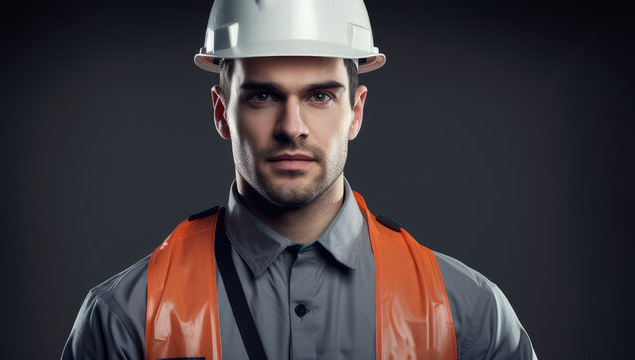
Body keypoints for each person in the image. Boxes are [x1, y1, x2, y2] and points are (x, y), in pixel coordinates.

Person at [62, 0, 537, 359]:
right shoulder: (126, 319)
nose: (292, 127)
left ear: (356, 112)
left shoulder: (467, 314)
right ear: (222, 112)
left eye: (320, 96)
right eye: (263, 96)